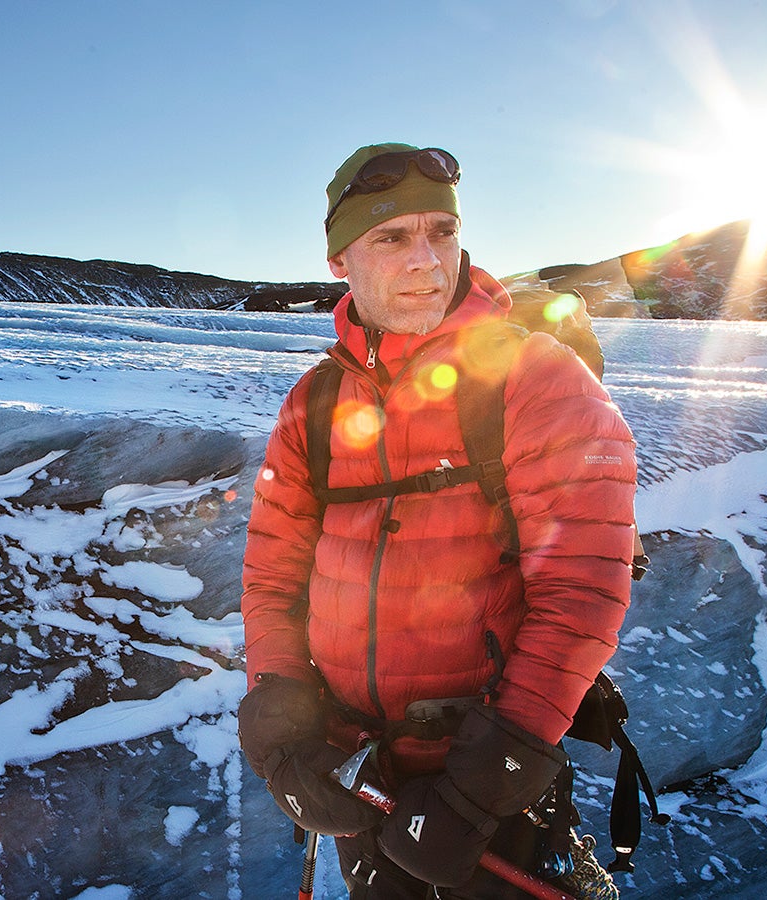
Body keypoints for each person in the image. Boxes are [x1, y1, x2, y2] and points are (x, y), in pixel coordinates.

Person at [238, 144, 638, 898]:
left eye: (442, 232)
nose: (427, 260)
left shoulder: (536, 377)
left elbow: (582, 590)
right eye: (392, 237)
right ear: (340, 259)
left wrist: (482, 786)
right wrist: (283, 731)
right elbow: (273, 578)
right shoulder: (313, 406)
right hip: (361, 778)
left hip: (489, 797)